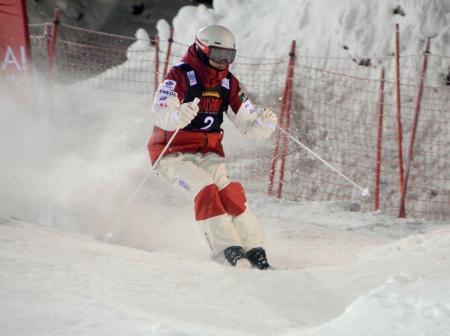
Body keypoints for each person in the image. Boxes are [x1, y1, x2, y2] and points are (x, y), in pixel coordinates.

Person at [147, 25, 278, 269]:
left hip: (208, 153)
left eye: (229, 56)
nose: (223, 62)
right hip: (172, 155)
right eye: (218, 55)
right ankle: (225, 248)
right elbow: (160, 113)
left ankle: (254, 247)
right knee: (206, 190)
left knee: (230, 193)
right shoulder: (180, 75)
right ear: (202, 49)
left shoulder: (228, 83)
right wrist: (177, 116)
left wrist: (262, 125)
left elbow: (247, 123)